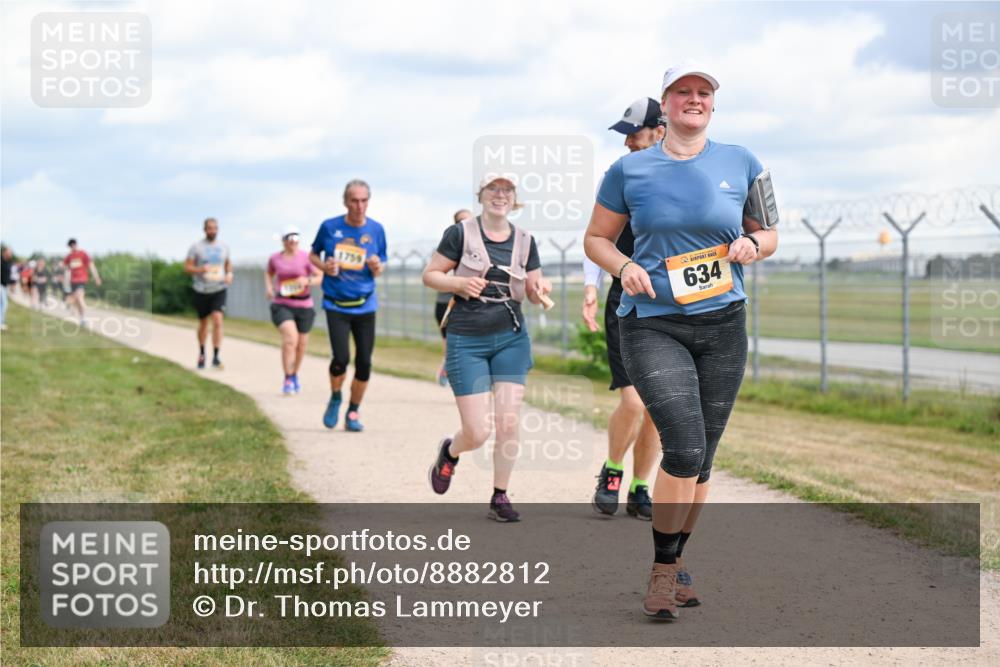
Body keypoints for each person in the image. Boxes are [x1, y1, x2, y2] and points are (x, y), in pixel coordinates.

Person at [584, 60, 778, 620]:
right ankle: (663, 571)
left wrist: (753, 246)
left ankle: (678, 563)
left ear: (712, 104)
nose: (693, 99)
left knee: (704, 458)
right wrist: (623, 268)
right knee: (685, 447)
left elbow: (769, 232)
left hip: (722, 325)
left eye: (703, 92)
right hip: (653, 323)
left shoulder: (743, 162)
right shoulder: (631, 170)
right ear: (665, 104)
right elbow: (597, 239)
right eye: (681, 92)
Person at [423, 175, 552, 522]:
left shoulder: (526, 240)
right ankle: (450, 452)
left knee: (508, 422)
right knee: (478, 432)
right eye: (493, 189)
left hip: (511, 336)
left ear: (514, 198)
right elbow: (431, 274)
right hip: (467, 339)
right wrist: (459, 282)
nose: (500, 195)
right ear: (480, 195)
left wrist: (540, 290)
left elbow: (535, 283)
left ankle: (500, 495)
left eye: (506, 189)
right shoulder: (461, 233)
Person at [583, 97, 665, 521]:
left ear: (660, 131)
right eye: (625, 135)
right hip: (627, 299)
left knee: (657, 407)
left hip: (670, 303)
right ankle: (612, 471)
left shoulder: (683, 177)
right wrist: (590, 287)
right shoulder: (619, 176)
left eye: (634, 133)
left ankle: (640, 487)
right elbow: (598, 234)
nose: (628, 141)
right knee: (633, 402)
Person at [309, 179, 387, 432]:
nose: (359, 205)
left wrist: (377, 267)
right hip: (336, 304)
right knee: (341, 359)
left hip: (365, 305)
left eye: (364, 200)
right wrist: (325, 266)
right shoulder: (330, 227)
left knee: (364, 362)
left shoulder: (376, 230)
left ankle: (353, 411)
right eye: (354, 200)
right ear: (346, 202)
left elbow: (381, 264)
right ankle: (335, 398)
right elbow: (313, 254)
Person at [266, 225, 323, 395]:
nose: (293, 243)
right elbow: (268, 273)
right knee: (291, 339)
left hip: (304, 305)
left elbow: (320, 276)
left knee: (301, 344)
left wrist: (307, 281)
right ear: (284, 241)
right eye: (289, 240)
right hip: (282, 303)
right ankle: (288, 377)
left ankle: (294, 373)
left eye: (296, 240)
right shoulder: (275, 258)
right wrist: (269, 287)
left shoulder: (306, 257)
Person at [184, 218, 232, 369]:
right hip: (201, 289)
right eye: (210, 228)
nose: (212, 231)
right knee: (204, 323)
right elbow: (187, 267)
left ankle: (216, 356)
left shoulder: (224, 246)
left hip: (219, 288)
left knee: (218, 320)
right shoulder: (196, 247)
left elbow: (228, 264)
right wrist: (200, 270)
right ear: (204, 230)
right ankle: (202, 353)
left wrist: (229, 273)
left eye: (215, 228)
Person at [434, 208, 474, 386]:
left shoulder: (478, 248)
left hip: (470, 304)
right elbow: (435, 275)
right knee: (451, 342)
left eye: (470, 220)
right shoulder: (448, 246)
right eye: (462, 221)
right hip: (447, 303)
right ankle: (448, 368)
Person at [62, 239, 102, 325]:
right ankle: (81, 317)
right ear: (69, 247)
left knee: (80, 297)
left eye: (74, 244)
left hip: (82, 279)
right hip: (73, 281)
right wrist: (64, 275)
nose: (73, 246)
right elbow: (64, 266)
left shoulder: (83, 254)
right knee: (77, 299)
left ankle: (83, 316)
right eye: (71, 245)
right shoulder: (69, 256)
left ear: (76, 244)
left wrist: (96, 277)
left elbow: (91, 265)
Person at [0, 245, 13, 330]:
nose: (10, 254)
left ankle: (1, 322)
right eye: (9, 252)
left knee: (3, 304)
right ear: (5, 253)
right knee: (4, 304)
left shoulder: (8, 262)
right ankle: (1, 322)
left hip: (4, 286)